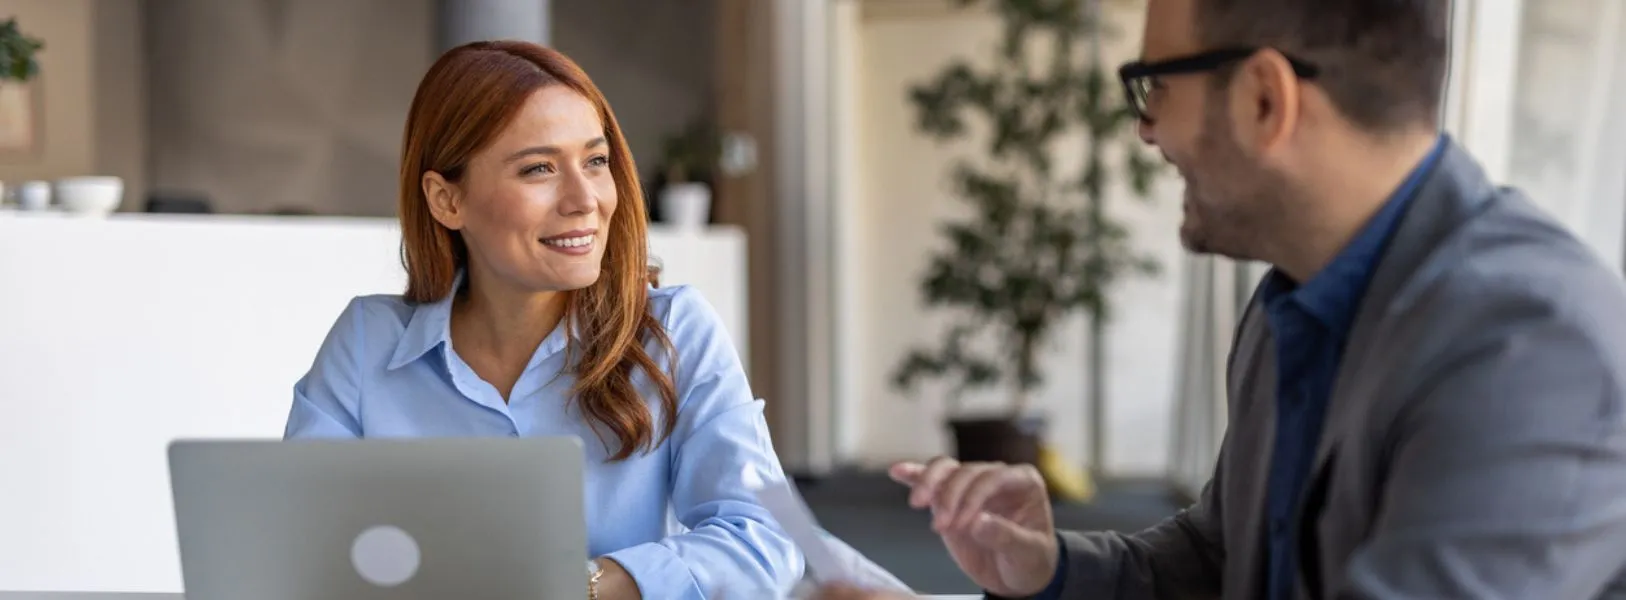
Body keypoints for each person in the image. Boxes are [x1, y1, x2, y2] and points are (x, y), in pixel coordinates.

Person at [816, 0, 1626, 598]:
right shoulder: (1293, 301)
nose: (1145, 131)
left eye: (1151, 86)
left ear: (1264, 100)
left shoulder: (1533, 344)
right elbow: (1217, 561)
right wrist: (1050, 569)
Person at [283, 41, 803, 599]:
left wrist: (578, 585)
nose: (586, 200)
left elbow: (766, 540)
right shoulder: (366, 342)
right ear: (446, 200)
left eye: (596, 162)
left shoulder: (673, 330)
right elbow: (293, 546)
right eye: (539, 169)